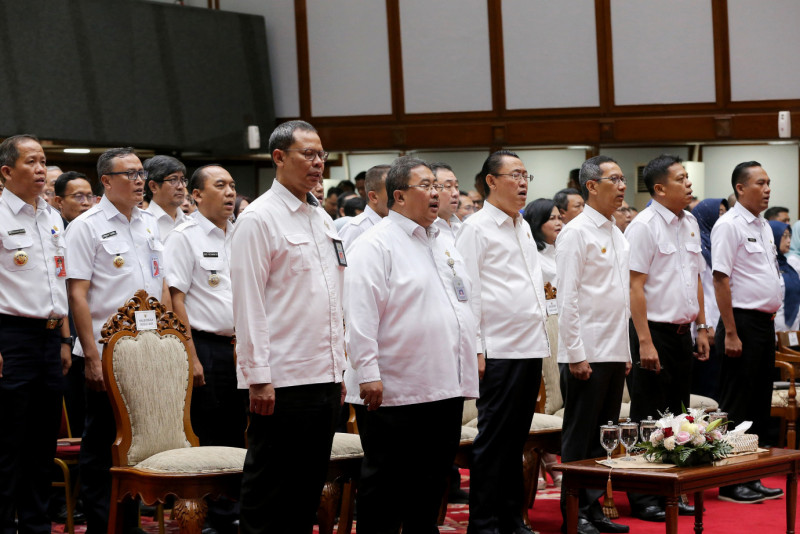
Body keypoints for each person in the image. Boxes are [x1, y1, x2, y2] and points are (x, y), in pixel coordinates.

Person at [344, 156, 478, 533]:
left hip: (445, 383)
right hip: (394, 387)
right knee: (386, 485)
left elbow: (463, 302)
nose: (436, 192)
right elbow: (360, 315)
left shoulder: (444, 240)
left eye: (438, 185)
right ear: (399, 196)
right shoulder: (375, 244)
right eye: (426, 186)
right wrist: (368, 373)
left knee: (431, 481)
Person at [230, 120, 345, 534]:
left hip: (324, 373)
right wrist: (258, 377)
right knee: (269, 489)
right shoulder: (259, 218)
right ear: (278, 157)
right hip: (282, 379)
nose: (318, 163)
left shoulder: (322, 218)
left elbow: (332, 298)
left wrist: (340, 367)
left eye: (321, 155)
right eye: (307, 154)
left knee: (306, 489)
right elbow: (248, 303)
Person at [65, 147, 170, 533]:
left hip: (150, 350)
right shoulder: (86, 226)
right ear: (106, 181)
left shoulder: (149, 222)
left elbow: (160, 284)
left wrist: (168, 342)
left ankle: (129, 521)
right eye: (130, 174)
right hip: (108, 352)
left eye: (141, 173)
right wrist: (92, 356)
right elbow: (77, 295)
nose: (140, 180)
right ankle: (102, 524)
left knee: (139, 441)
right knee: (103, 442)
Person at [456, 150, 549, 534]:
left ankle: (512, 519)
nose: (523, 182)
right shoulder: (476, 228)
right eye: (515, 175)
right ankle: (484, 524)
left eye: (526, 175)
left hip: (529, 345)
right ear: (491, 181)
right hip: (497, 349)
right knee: (494, 440)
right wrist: (476, 348)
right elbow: (468, 293)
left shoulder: (522, 225)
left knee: (516, 440)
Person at [623, 155, 709, 521]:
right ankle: (644, 495)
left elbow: (696, 276)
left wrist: (701, 326)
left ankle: (672, 488)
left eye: (688, 177)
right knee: (649, 414)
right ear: (659, 188)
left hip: (681, 332)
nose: (688, 184)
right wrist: (644, 341)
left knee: (677, 415)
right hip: (652, 331)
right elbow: (634, 286)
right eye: (681, 178)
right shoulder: (643, 226)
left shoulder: (690, 221)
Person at [164, 164, 244, 533]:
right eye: (220, 185)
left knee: (241, 431)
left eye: (232, 186)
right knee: (213, 432)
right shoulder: (185, 236)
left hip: (243, 346)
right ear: (196, 195)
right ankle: (214, 517)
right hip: (206, 346)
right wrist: (191, 355)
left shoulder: (242, 232)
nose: (230, 193)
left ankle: (237, 509)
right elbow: (175, 299)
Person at [0, 134, 71, 534]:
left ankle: (36, 526)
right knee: (7, 442)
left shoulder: (52, 216)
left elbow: (57, 283)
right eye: (31, 161)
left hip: (48, 339)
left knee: (42, 443)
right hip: (10, 337)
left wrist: (63, 340)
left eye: (44, 161)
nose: (41, 169)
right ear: (7, 171)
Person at [556, 155, 631, 534]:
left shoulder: (617, 233)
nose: (622, 186)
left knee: (604, 437)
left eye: (623, 179)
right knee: (580, 436)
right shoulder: (576, 232)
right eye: (614, 179)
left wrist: (626, 352)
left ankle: (595, 507)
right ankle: (575, 514)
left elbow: (622, 300)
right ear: (591, 186)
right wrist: (575, 354)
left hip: (613, 350)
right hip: (586, 353)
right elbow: (567, 298)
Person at [712, 161, 784, 503]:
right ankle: (730, 482)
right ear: (740, 188)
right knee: (737, 405)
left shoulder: (764, 225)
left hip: (763, 324)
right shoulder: (729, 225)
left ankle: (750, 475)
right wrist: (730, 331)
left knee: (758, 405)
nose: (767, 189)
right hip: (740, 323)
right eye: (760, 183)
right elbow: (720, 279)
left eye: (768, 182)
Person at [522, 198, 563, 489]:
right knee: (543, 396)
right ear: (537, 223)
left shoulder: (563, 250)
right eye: (552, 218)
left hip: (564, 325)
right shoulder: (532, 254)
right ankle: (539, 456)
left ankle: (552, 457)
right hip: (542, 325)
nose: (559, 222)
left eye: (560, 217)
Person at [690, 198, 729, 400]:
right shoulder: (699, 248)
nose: (723, 217)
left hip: (720, 325)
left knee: (719, 388)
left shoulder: (717, 246)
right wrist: (706, 326)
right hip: (705, 326)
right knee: (705, 388)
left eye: (725, 212)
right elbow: (702, 291)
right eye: (719, 213)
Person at [339, 164, 389, 250]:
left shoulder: (395, 224)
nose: (399, 197)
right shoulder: (355, 229)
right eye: (392, 192)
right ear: (373, 196)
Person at [143, 155, 188, 238]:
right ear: (153, 186)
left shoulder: (191, 223)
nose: (181, 186)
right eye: (173, 180)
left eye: (182, 180)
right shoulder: (141, 224)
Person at [770, 221, 800, 333]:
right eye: (785, 236)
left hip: (794, 328)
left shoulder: (787, 266)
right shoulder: (768, 266)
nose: (789, 240)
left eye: (790, 236)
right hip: (774, 328)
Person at [431, 162, 462, 247]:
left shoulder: (461, 227)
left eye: (456, 186)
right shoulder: (426, 230)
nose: (455, 193)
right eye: (448, 186)